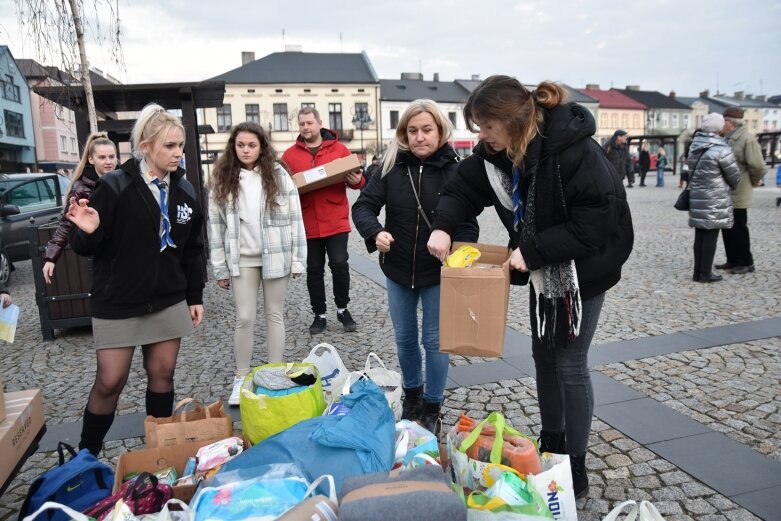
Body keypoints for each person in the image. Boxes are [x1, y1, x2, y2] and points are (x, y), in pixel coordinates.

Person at [426, 76, 633, 498]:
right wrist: (444, 226)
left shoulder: (573, 150)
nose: (480, 136)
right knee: (543, 356)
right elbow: (462, 188)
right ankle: (552, 444)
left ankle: (574, 466)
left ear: (511, 120)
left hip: (586, 269)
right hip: (542, 268)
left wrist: (534, 249)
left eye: (485, 126)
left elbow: (599, 217)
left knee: (569, 362)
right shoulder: (495, 154)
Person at [67, 103, 206, 456]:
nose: (178, 153)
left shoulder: (186, 191)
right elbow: (87, 245)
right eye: (169, 147)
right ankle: (86, 457)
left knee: (163, 375)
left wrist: (195, 295)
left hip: (168, 299)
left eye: (181, 146)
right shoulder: (115, 186)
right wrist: (87, 232)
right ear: (145, 146)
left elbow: (192, 250)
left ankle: (159, 451)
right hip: (118, 301)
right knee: (110, 382)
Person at [352, 100, 478, 435]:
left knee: (435, 341)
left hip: (437, 272)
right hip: (397, 268)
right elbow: (363, 206)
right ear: (404, 134)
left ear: (440, 131)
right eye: (413, 131)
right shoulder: (390, 166)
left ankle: (433, 405)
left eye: (427, 129)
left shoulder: (456, 170)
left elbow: (468, 224)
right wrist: (374, 231)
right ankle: (412, 396)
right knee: (405, 338)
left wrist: (455, 245)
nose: (420, 137)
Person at [208, 122, 306, 405]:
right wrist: (220, 267)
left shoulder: (278, 176)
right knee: (245, 317)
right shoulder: (222, 179)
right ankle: (241, 377)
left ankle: (274, 373)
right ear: (233, 147)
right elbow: (216, 227)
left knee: (275, 314)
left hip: (276, 255)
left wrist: (299, 260)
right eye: (241, 145)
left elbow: (295, 219)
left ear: (262, 147)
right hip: (242, 260)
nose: (246, 150)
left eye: (252, 145)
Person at [281, 107, 365, 334]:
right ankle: (319, 314)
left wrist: (358, 180)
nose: (306, 127)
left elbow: (357, 181)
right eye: (302, 124)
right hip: (307, 222)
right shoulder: (289, 155)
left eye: (309, 123)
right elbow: (282, 187)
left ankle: (342, 309)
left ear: (320, 123)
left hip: (335, 219)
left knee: (339, 264)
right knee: (314, 270)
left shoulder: (339, 149)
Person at [42, 132, 118, 284]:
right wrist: (51, 257)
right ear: (91, 159)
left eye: (112, 156)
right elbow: (66, 222)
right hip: (100, 251)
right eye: (102, 157)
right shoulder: (81, 187)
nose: (108, 161)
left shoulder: (123, 179)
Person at [686, 114, 741, 283]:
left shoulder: (695, 146)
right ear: (719, 128)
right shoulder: (721, 149)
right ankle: (705, 273)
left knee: (700, 235)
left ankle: (698, 272)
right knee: (710, 236)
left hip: (697, 196)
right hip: (715, 198)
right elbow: (734, 176)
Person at [714, 107, 766, 275]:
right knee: (728, 227)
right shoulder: (728, 138)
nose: (722, 124)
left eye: (724, 121)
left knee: (739, 227)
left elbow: (757, 165)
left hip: (739, 189)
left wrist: (753, 180)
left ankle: (746, 262)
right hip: (727, 191)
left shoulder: (746, 139)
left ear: (731, 123)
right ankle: (733, 260)